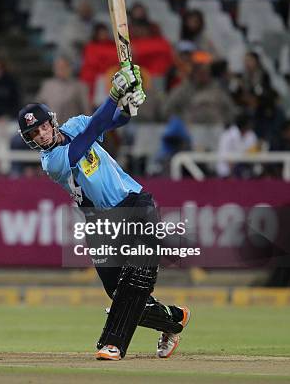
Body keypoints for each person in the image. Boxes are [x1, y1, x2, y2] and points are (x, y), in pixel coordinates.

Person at [17, 65, 190, 360]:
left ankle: (112, 344)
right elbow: (91, 133)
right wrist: (113, 94)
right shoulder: (52, 163)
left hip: (135, 204)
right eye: (34, 133)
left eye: (43, 126)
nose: (42, 135)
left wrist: (128, 106)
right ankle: (174, 318)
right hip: (100, 223)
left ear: (52, 122)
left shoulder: (74, 125)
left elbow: (110, 122)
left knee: (135, 279)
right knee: (119, 293)